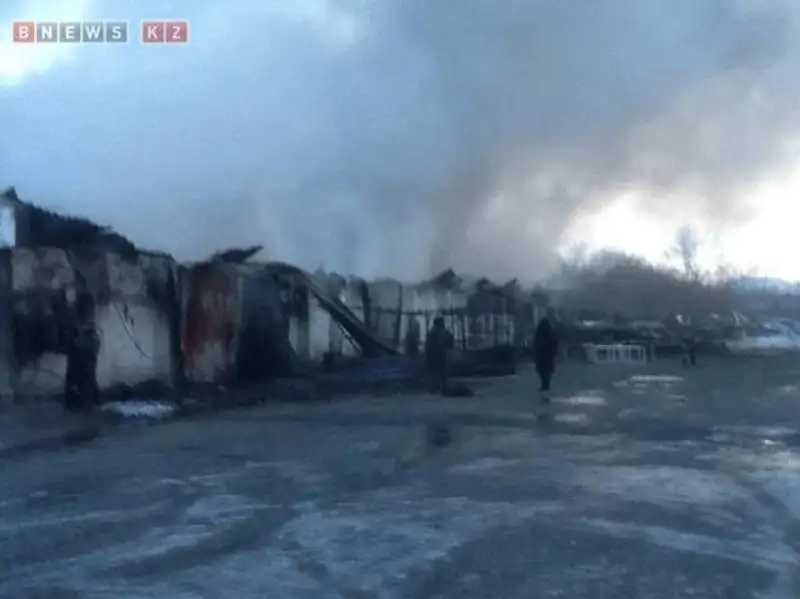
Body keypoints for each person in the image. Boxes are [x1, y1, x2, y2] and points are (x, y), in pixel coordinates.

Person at [425, 316, 454, 394]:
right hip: (437, 356)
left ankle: (434, 388)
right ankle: (438, 388)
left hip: (433, 356)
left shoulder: (433, 332)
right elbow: (445, 343)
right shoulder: (437, 333)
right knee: (439, 373)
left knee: (434, 373)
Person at [533, 317, 558, 396]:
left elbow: (535, 343)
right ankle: (546, 384)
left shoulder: (539, 332)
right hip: (548, 356)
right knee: (547, 371)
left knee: (542, 371)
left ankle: (544, 384)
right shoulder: (551, 333)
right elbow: (555, 343)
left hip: (541, 356)